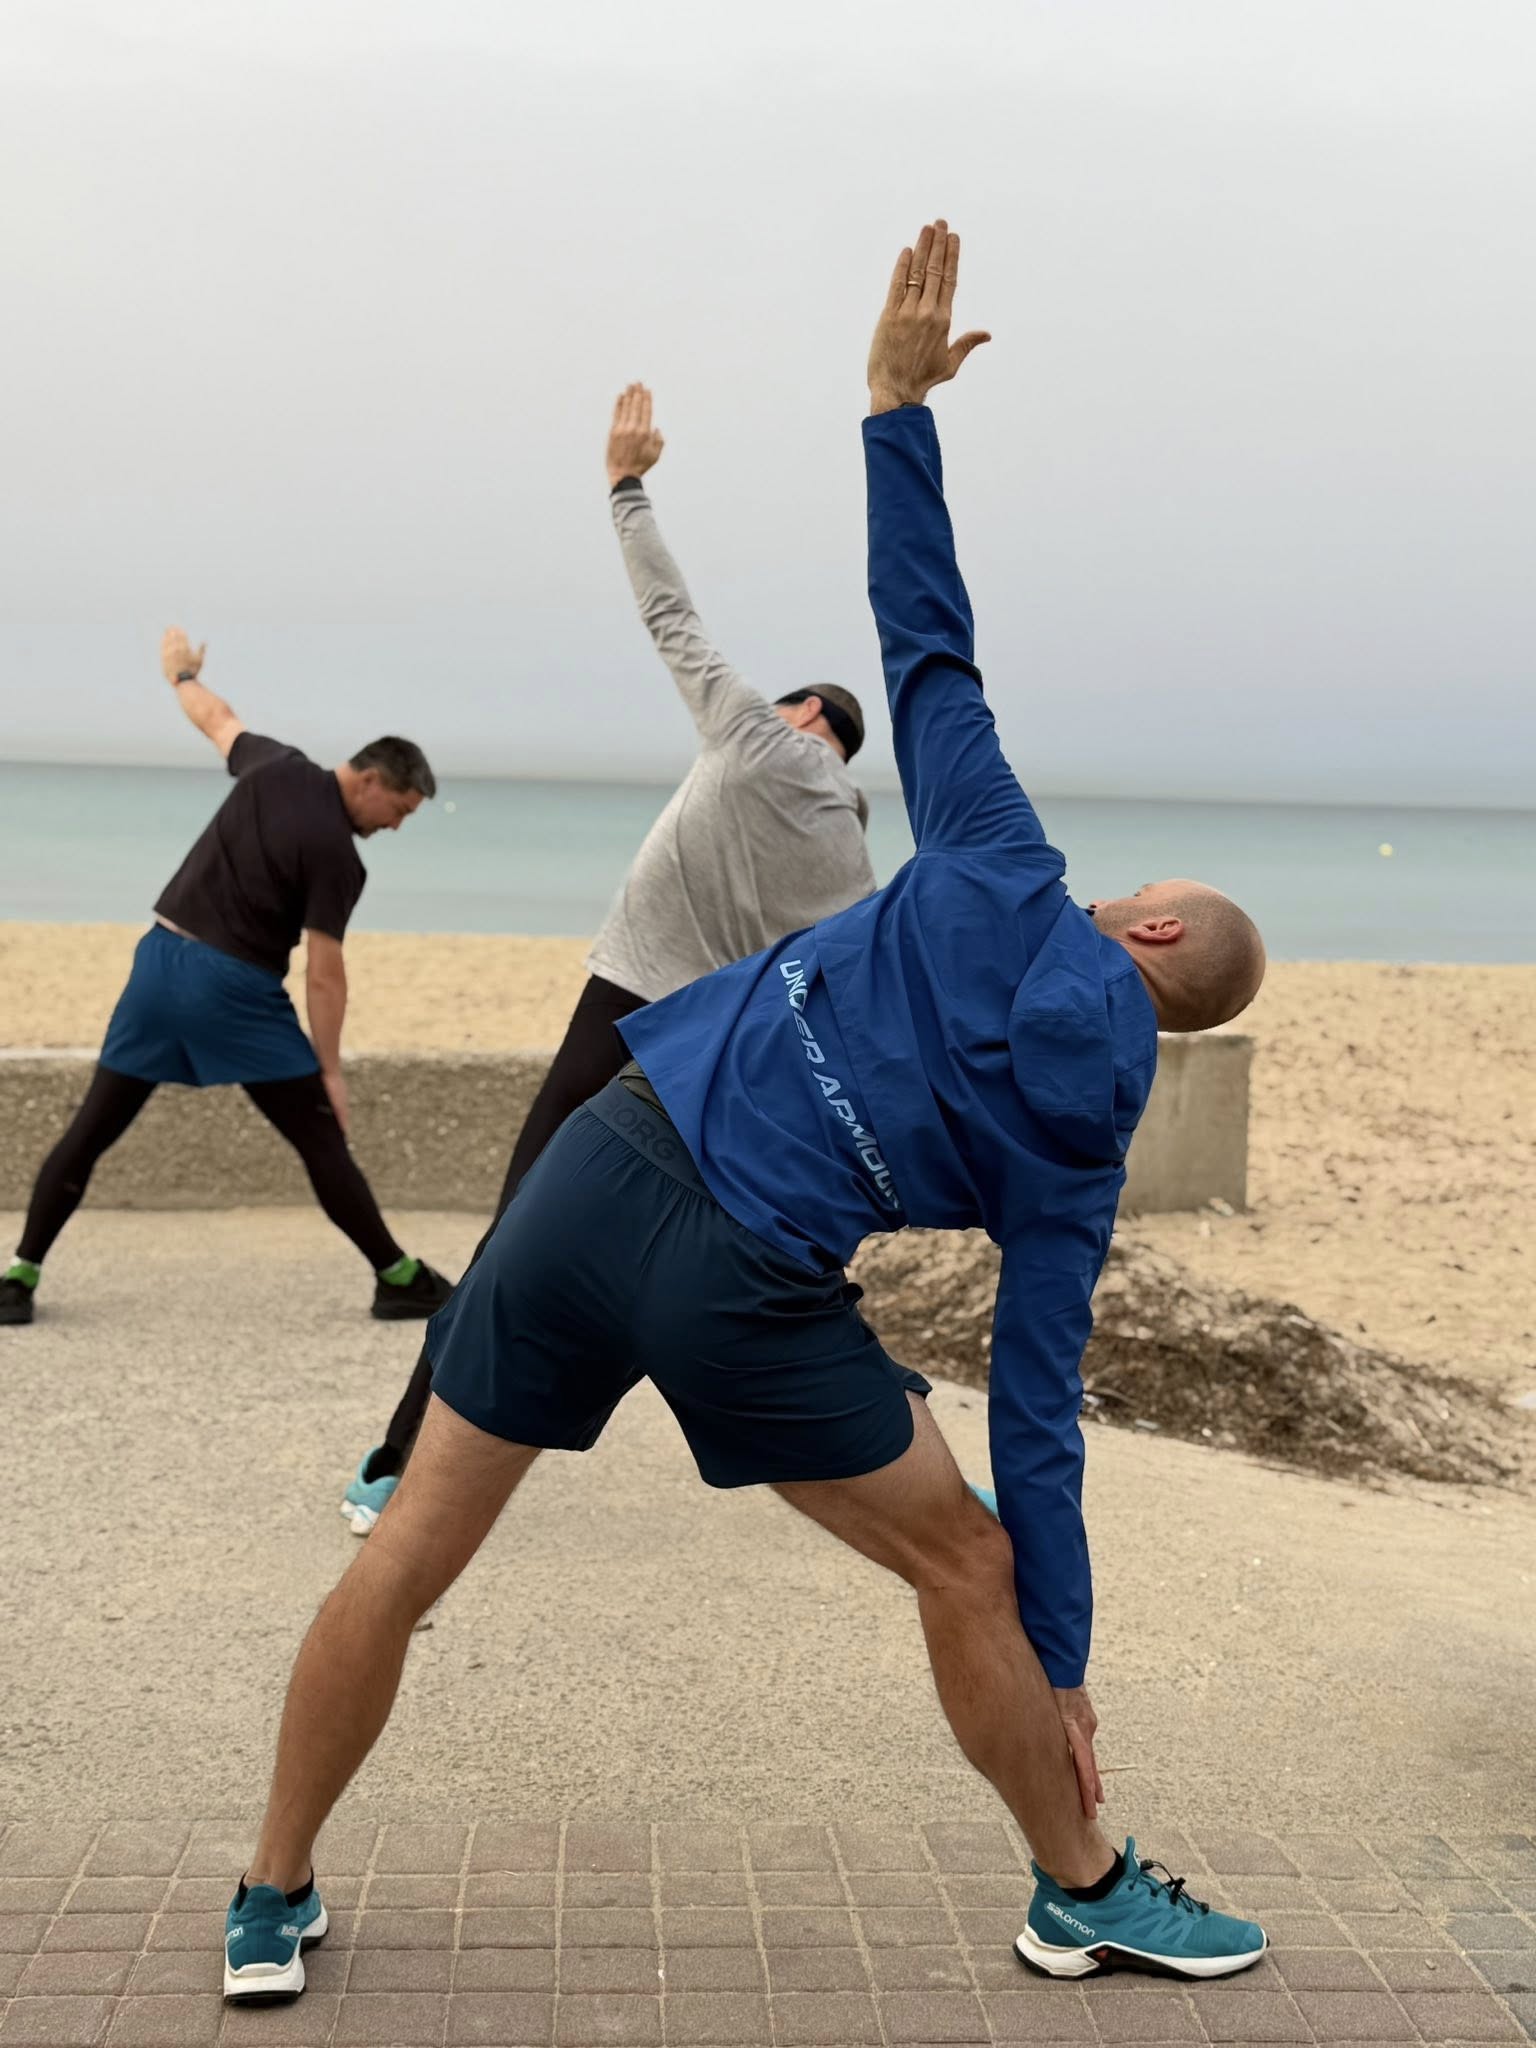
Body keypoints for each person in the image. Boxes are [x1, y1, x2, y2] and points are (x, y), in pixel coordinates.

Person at [223, 221, 1270, 2004]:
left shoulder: (1002, 859)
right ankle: (1082, 1886)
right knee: (969, 1561)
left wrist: (894, 411)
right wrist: (1061, 1651)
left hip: (603, 1158)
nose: (1121, 896)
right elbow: (1040, 1414)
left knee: (406, 1551)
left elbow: (928, 642)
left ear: (1152, 933)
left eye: (1143, 896)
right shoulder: (1083, 1148)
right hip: (745, 1281)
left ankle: (269, 1894)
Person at [338, 385, 875, 1530]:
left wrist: (626, 485)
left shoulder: (752, 735)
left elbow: (671, 614)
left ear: (798, 715)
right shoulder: (850, 840)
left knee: (512, 1235)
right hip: (717, 1055)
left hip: (624, 1006)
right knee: (718, 1262)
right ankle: (889, 1453)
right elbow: (859, 969)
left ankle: (395, 1462)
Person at [0, 633, 455, 1327]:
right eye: (399, 811)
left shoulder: (273, 765)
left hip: (157, 965)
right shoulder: (338, 856)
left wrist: (181, 676)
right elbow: (325, 976)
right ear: (370, 781)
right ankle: (399, 1279)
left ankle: (17, 1277)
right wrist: (330, 1070)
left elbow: (216, 719)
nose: (394, 827)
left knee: (91, 1130)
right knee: (320, 1140)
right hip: (233, 993)